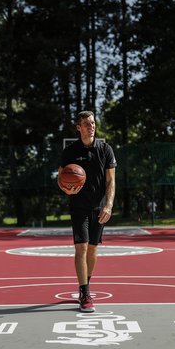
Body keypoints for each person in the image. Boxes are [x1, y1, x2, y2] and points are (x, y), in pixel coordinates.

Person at [58, 111, 116, 312]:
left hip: (99, 206)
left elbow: (111, 181)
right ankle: (84, 293)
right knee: (81, 248)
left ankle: (86, 283)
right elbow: (61, 179)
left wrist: (108, 205)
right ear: (79, 127)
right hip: (79, 207)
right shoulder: (70, 151)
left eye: (92, 123)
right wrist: (65, 188)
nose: (91, 126)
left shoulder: (105, 149)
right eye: (86, 123)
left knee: (92, 249)